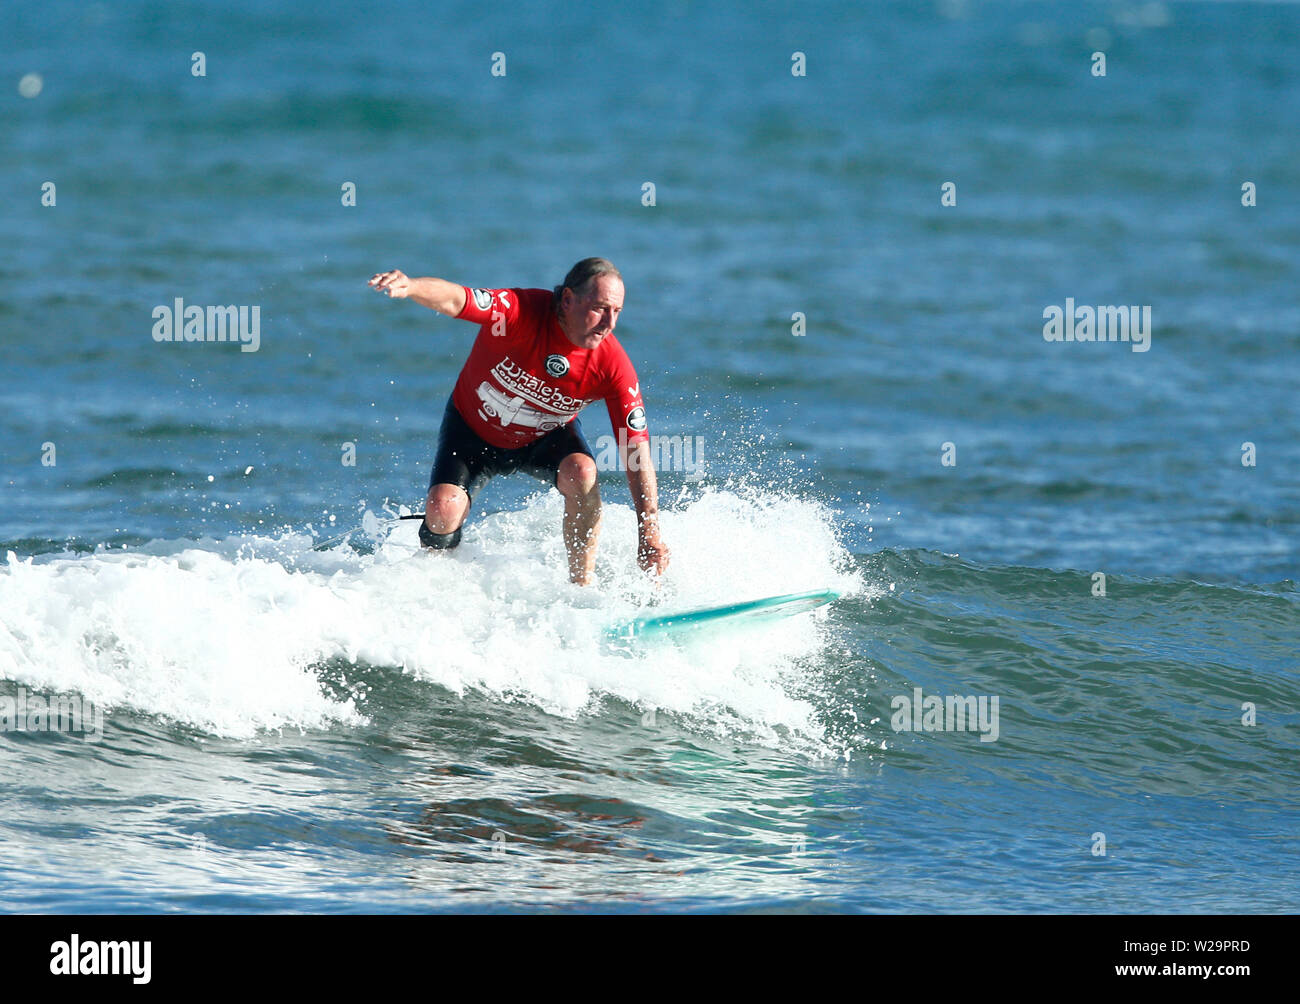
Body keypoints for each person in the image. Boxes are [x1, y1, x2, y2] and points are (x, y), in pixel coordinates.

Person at [368, 257, 669, 586]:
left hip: (545, 436)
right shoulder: (517, 312)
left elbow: (636, 450)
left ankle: (581, 588)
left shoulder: (612, 365)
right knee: (442, 509)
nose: (608, 323)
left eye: (617, 312)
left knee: (582, 472)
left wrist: (649, 532)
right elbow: (458, 298)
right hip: (471, 429)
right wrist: (412, 287)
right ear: (567, 299)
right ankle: (433, 580)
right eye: (599, 308)